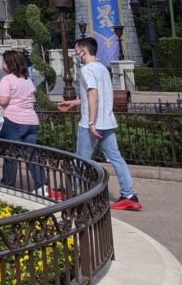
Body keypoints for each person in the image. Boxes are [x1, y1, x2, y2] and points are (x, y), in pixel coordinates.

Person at [59, 37, 141, 210]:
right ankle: (129, 195)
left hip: (92, 123)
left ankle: (72, 193)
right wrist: (74, 102)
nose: (75, 54)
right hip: (107, 121)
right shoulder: (103, 68)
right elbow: (96, 96)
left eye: (76, 50)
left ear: (83, 50)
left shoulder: (87, 70)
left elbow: (94, 96)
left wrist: (91, 122)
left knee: (80, 159)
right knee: (116, 158)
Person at [0, 50, 51, 195]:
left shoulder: (7, 80)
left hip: (14, 121)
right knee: (31, 155)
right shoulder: (26, 80)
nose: (2, 65)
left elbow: (3, 100)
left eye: (4, 62)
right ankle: (42, 186)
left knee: (10, 155)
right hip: (31, 121)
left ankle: (8, 185)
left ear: (9, 64)